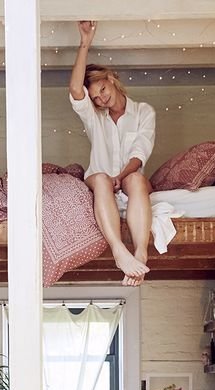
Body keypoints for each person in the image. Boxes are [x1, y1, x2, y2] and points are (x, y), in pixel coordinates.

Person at [69, 20, 156, 285]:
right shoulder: (94, 116)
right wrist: (85, 43)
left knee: (137, 179)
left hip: (128, 177)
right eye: (95, 97)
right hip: (101, 178)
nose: (101, 99)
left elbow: (140, 152)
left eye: (102, 90)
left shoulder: (143, 112)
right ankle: (119, 251)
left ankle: (140, 254)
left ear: (111, 79)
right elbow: (76, 90)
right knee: (102, 179)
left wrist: (122, 176)